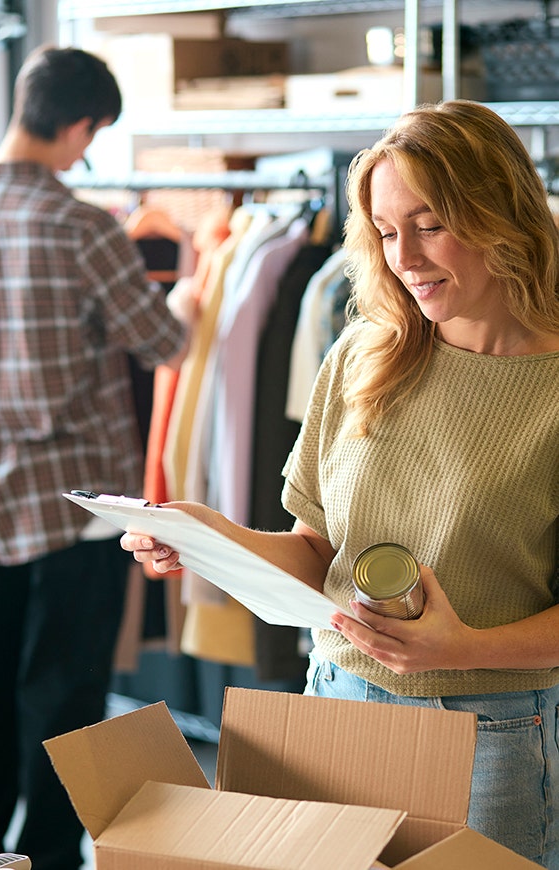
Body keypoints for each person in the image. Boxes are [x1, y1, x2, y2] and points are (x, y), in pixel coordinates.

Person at [121, 99, 559, 868]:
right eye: (388, 234)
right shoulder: (364, 354)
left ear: (502, 214)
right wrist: (203, 534)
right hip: (336, 700)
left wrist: (464, 647)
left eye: (430, 225)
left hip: (492, 733)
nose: (405, 259)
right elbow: (318, 551)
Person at [0, 46, 195, 870]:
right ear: (80, 125)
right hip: (73, 507)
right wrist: (190, 294)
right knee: (63, 699)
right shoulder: (82, 225)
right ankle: (46, 856)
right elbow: (163, 341)